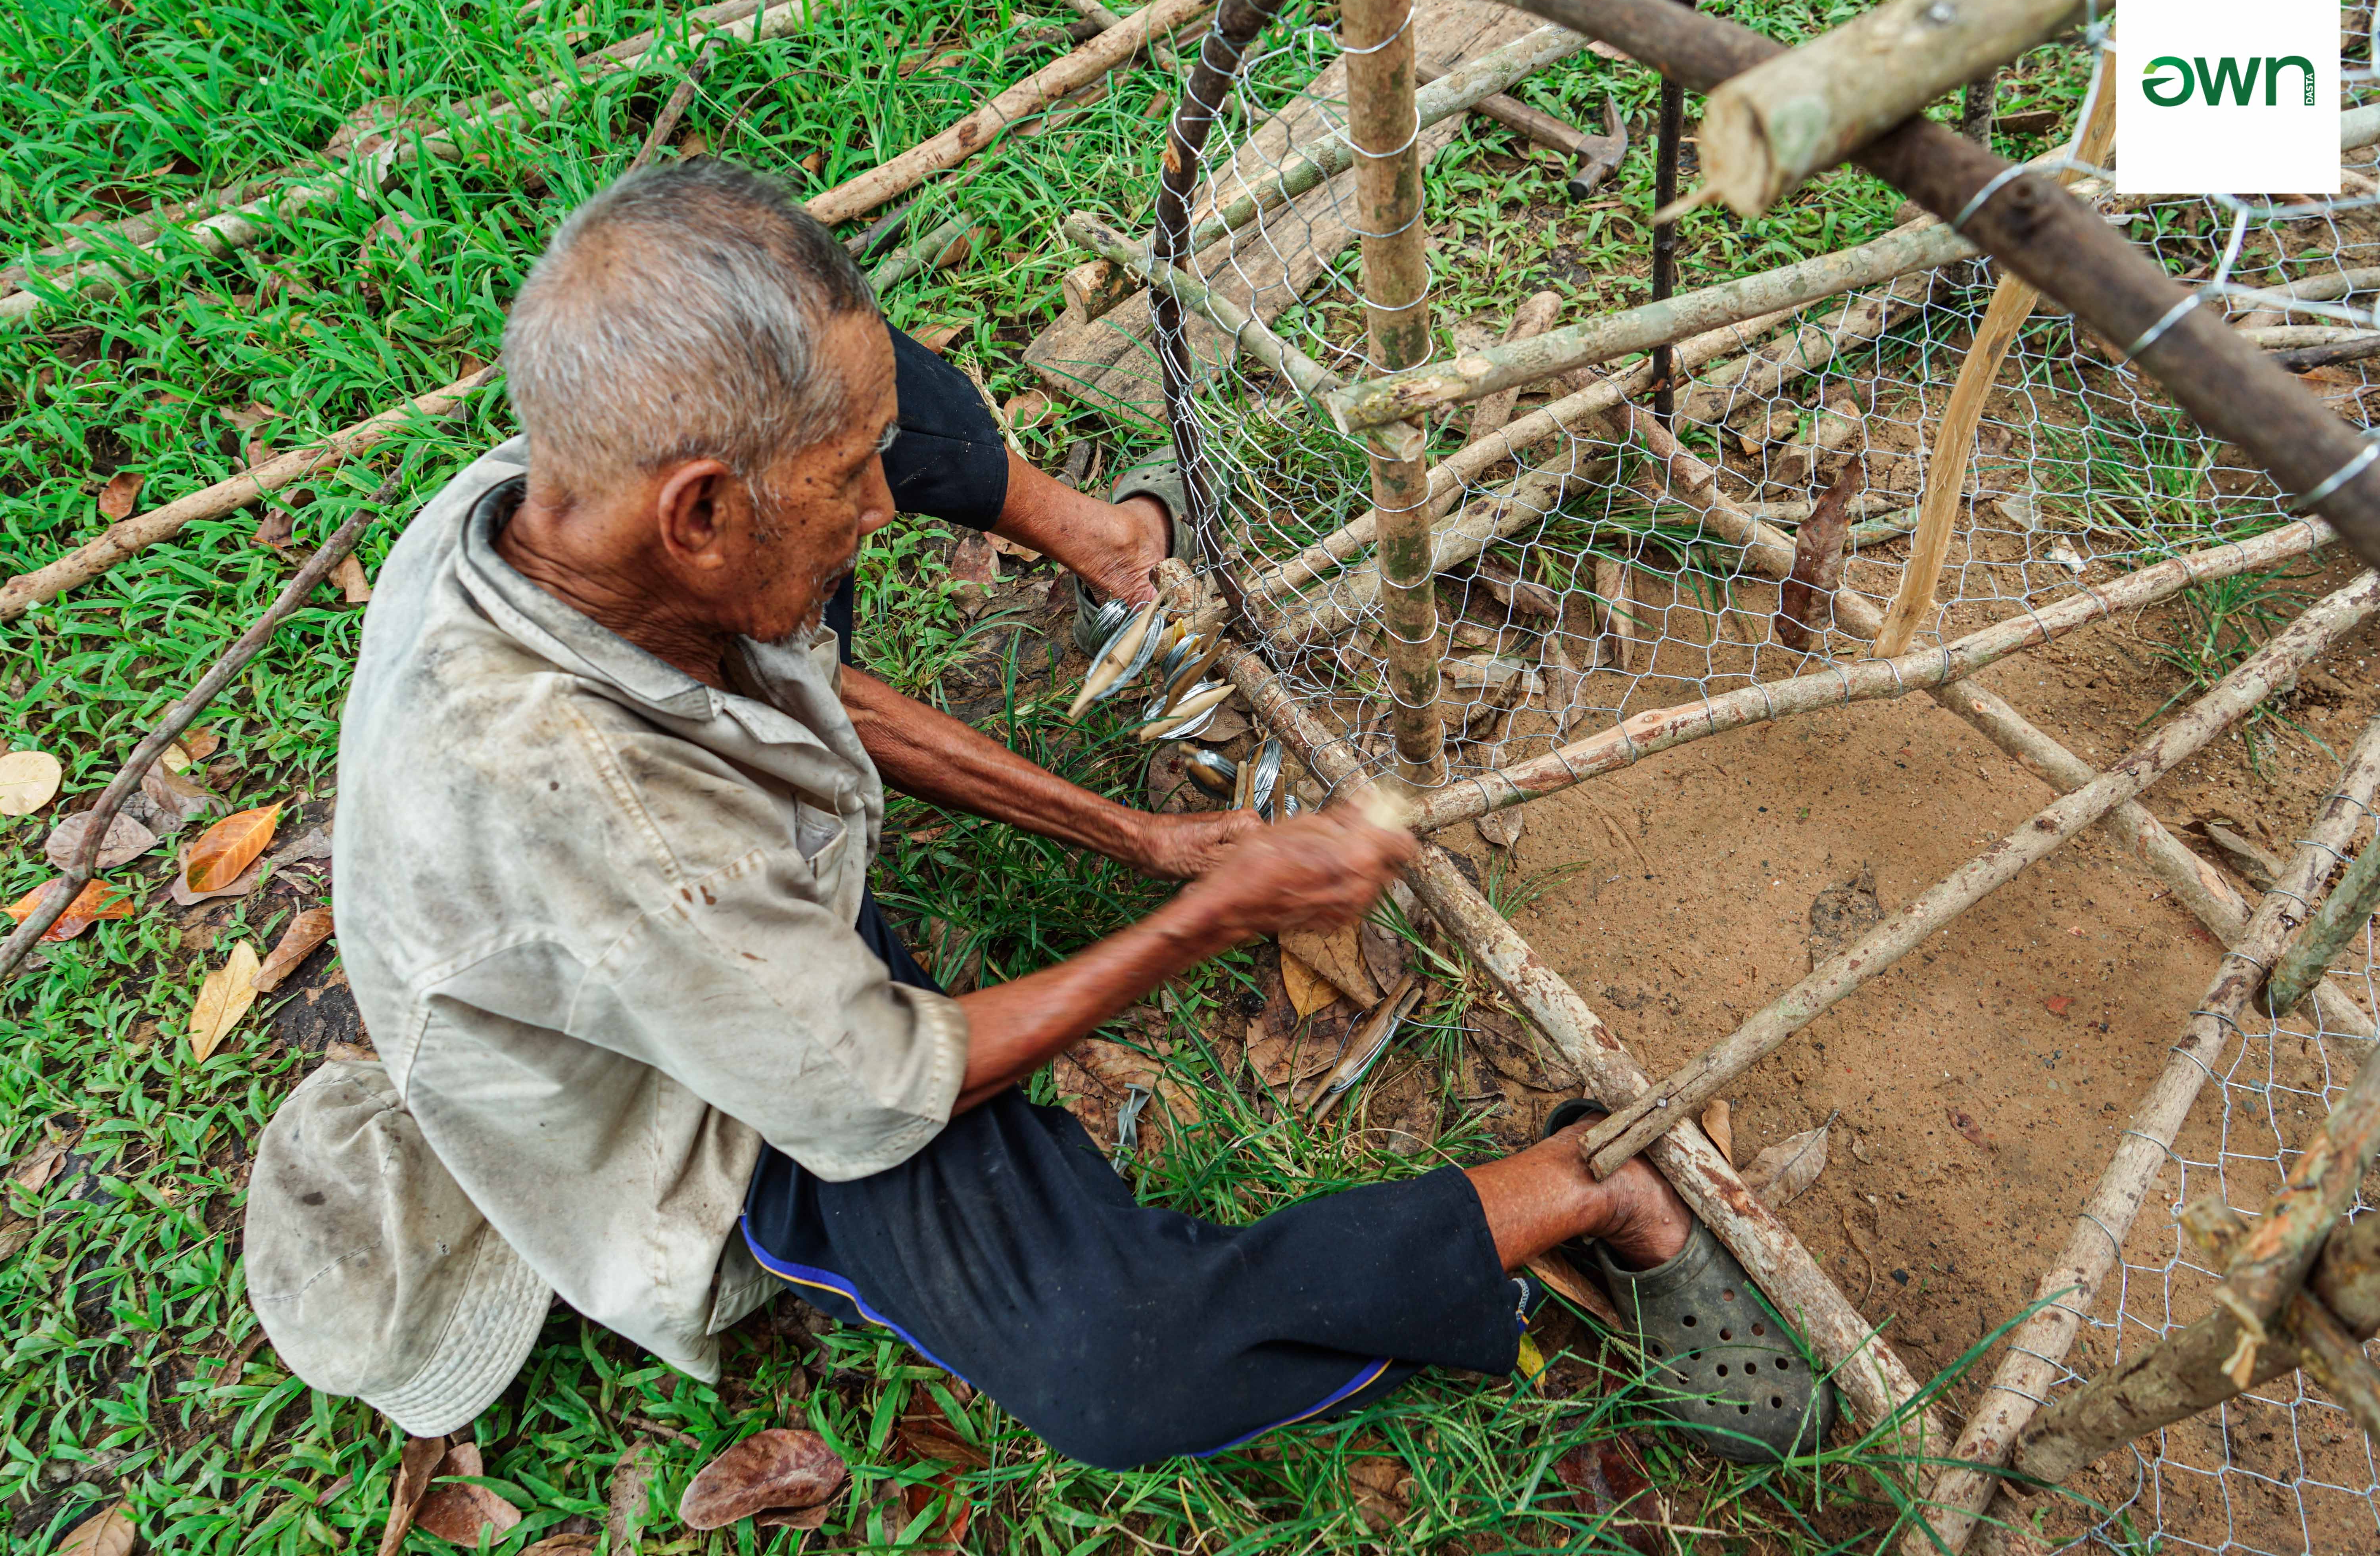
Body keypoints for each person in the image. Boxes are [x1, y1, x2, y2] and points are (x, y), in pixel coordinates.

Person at [243, 160, 1831, 1470]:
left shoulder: (531, 523)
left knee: (893, 399)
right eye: (848, 489)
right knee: (1122, 1364)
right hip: (747, 1089)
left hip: (714, 888)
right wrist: (1205, 910)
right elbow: (875, 1089)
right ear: (704, 516)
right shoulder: (600, 821)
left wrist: (1138, 838)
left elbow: (796, 690)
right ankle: (1598, 1188)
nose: (883, 516)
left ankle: (1110, 538)